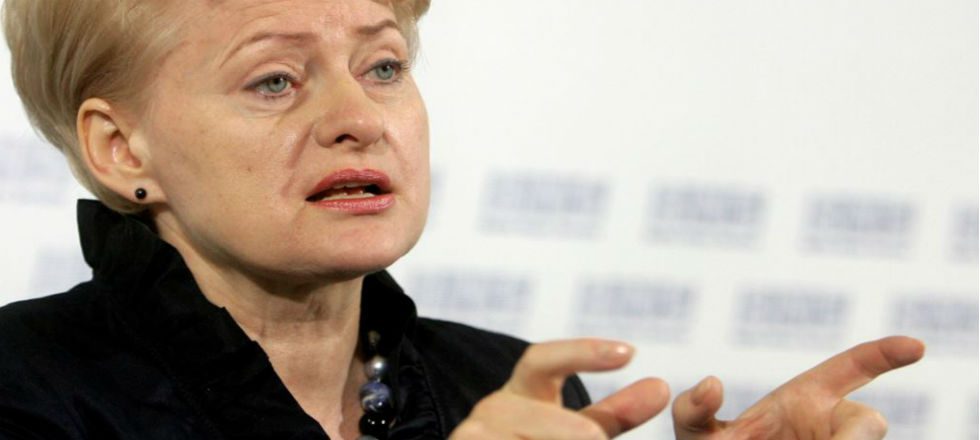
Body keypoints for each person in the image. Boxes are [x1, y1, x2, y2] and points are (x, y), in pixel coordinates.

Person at [0, 0, 925, 439]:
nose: (358, 118)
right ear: (122, 149)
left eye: (384, 67)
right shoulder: (23, 391)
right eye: (274, 80)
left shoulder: (505, 386)